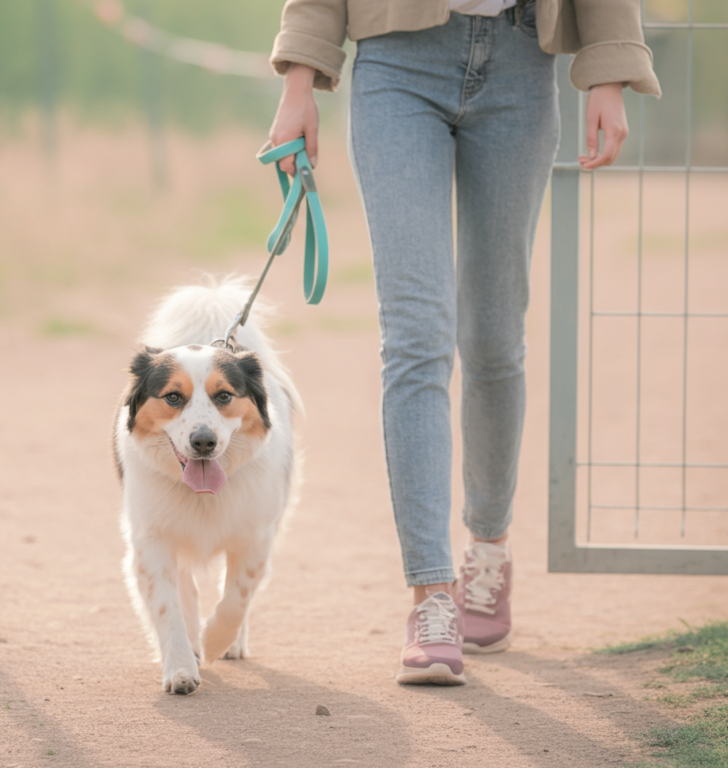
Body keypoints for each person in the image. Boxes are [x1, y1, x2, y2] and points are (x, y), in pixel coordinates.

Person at [268, 0, 660, 685]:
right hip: (397, 61)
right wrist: (299, 81)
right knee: (416, 336)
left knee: (494, 337)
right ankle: (431, 596)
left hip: (520, 62)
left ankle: (488, 551)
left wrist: (611, 70)